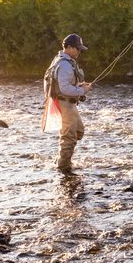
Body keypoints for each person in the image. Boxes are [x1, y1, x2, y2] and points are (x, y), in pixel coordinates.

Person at [43, 33, 92, 173]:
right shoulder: (64, 64)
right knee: (69, 137)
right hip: (65, 104)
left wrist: (80, 85)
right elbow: (64, 88)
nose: (79, 52)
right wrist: (82, 90)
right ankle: (63, 167)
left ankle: (62, 158)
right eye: (78, 49)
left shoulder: (61, 60)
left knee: (78, 131)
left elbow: (63, 84)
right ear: (69, 47)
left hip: (68, 103)